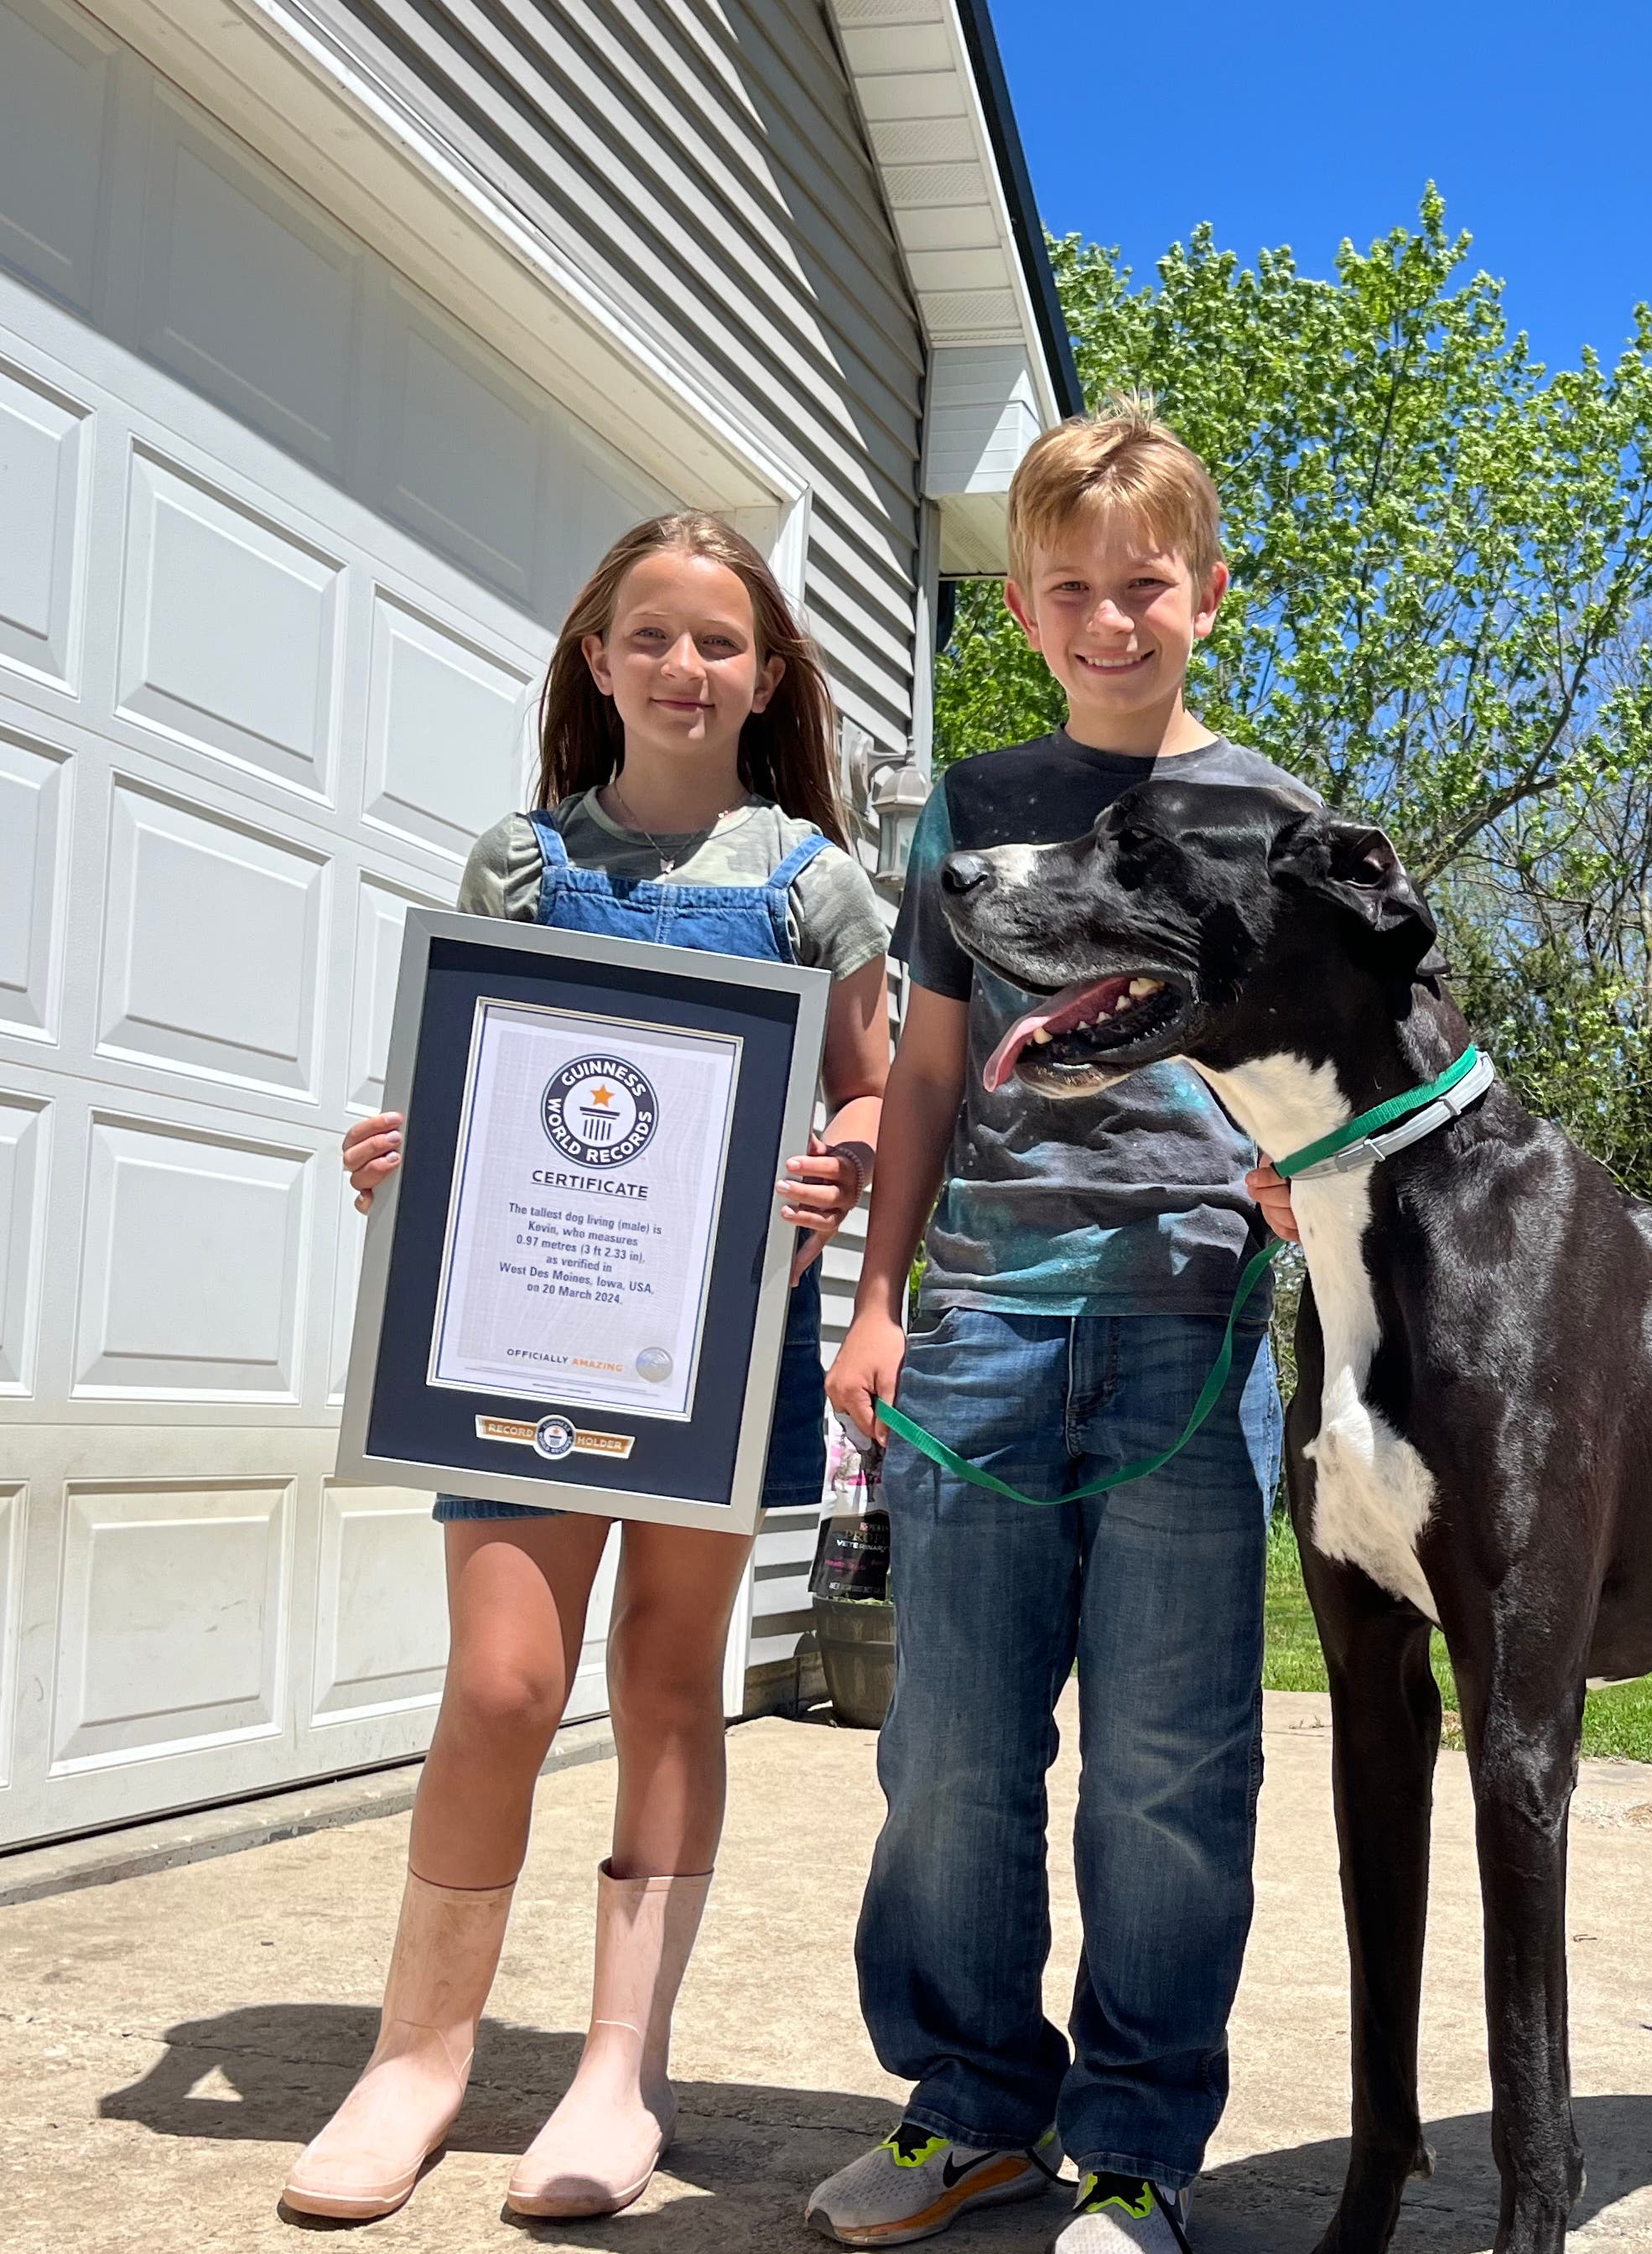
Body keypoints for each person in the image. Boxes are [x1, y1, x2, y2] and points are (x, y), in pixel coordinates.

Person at [283, 514, 893, 2225]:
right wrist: (407, 1153)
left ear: (766, 677)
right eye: (653, 636)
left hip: (712, 1341)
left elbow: (869, 1087)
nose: (685, 667)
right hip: (514, 1334)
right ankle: (417, 2059)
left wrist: (833, 1165)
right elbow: (466, 1071)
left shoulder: (809, 882)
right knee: (498, 1685)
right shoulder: (523, 865)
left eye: (720, 642)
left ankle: (622, 2068)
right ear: (596, 660)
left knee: (665, 1675)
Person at [810, 401, 1303, 2254]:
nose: (1114, 620)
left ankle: (1134, 2144)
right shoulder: (976, 811)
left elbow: (1323, 1072)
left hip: (1191, 1325)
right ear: (1025, 607)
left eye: (1147, 586)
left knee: (1171, 1768)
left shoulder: (1270, 815)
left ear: (1208, 592)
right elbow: (926, 1080)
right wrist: (878, 1301)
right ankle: (970, 2108)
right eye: (1076, 591)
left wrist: (1289, 1193)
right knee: (949, 1744)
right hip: (985, 1333)